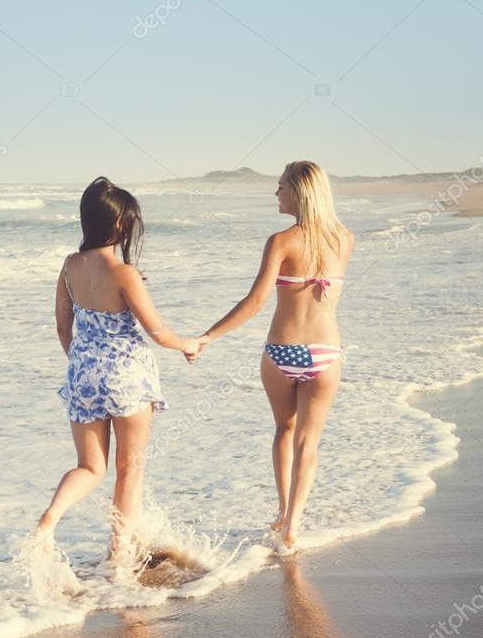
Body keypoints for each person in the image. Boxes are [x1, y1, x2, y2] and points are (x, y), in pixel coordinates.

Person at [191, 160, 354, 549]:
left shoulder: (281, 242)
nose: (276, 192)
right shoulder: (345, 238)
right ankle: (292, 526)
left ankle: (283, 512)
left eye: (280, 186)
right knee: (308, 442)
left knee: (284, 429)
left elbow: (256, 302)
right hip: (325, 353)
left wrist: (208, 336)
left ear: (299, 192)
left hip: (282, 353)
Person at [36, 177, 201, 561]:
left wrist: (82, 362)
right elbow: (157, 331)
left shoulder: (70, 266)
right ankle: (117, 556)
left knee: (90, 468)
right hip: (127, 377)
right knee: (130, 471)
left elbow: (63, 327)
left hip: (82, 375)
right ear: (121, 225)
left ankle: (51, 516)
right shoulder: (125, 273)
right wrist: (188, 344)